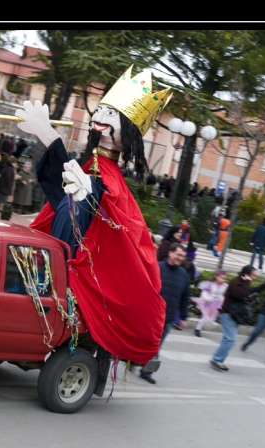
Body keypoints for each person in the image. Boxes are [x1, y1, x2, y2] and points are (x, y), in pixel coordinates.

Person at [14, 65, 174, 366]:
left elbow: (82, 196)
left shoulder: (107, 178)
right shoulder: (93, 166)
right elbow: (66, 190)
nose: (99, 117)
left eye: (111, 115)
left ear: (127, 136)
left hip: (71, 260)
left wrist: (46, 132)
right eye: (100, 110)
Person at [140, 243, 190, 384]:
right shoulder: (157, 268)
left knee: (157, 346)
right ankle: (134, 361)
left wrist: (184, 318)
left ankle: (146, 372)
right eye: (178, 254)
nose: (180, 258)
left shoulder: (184, 275)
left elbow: (185, 298)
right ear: (170, 252)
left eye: (182, 256)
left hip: (168, 318)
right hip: (150, 316)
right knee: (143, 341)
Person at [209, 265, 257, 371]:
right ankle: (215, 359)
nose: (255, 277)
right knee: (230, 339)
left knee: (228, 339)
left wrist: (251, 299)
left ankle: (219, 360)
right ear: (246, 274)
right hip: (227, 314)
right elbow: (240, 295)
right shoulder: (236, 282)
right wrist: (247, 283)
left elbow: (244, 297)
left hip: (235, 315)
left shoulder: (242, 282)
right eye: (253, 275)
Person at [192, 270, 228, 337]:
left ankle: (200, 326)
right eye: (221, 278)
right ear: (216, 277)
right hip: (209, 303)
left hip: (217, 304)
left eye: (224, 278)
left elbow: (230, 291)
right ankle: (197, 329)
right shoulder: (210, 284)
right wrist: (206, 297)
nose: (223, 280)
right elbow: (204, 292)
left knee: (212, 319)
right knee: (205, 317)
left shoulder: (225, 286)